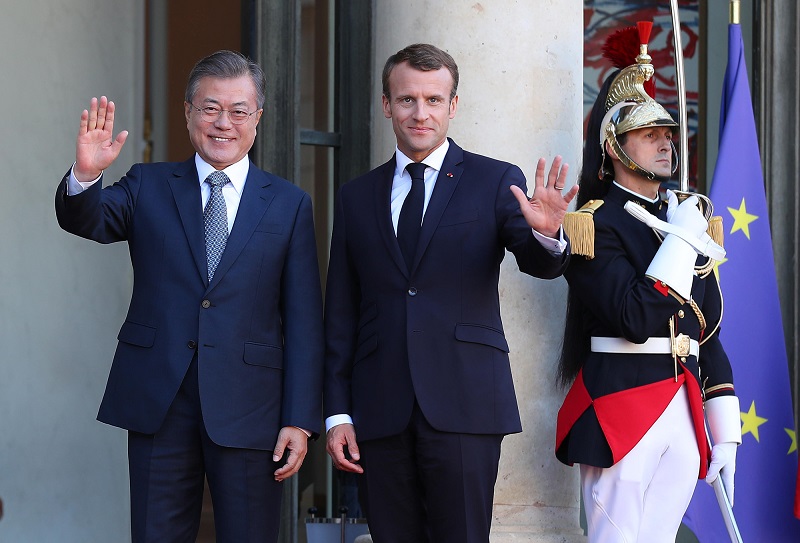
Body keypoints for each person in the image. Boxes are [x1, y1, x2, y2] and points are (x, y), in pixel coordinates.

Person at [55, 50, 324, 542]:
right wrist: (86, 176)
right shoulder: (148, 184)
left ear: (257, 118)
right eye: (210, 108)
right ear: (187, 112)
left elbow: (304, 320)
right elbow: (86, 219)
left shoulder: (288, 204)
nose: (224, 123)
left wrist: (301, 419)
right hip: (161, 400)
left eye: (239, 110)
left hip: (252, 408)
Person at [323, 43, 578, 543]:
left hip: (466, 404)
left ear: (453, 105)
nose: (421, 113)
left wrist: (549, 234)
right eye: (407, 100)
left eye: (434, 100)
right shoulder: (356, 197)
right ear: (386, 104)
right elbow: (341, 313)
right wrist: (337, 413)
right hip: (380, 408)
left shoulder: (494, 180)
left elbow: (538, 262)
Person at [555, 24, 741, 542]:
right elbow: (635, 316)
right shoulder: (595, 222)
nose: (665, 144)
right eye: (648, 135)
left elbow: (706, 331)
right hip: (619, 403)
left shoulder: (686, 217)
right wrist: (681, 242)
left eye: (667, 135)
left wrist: (725, 429)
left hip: (682, 405)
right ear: (614, 146)